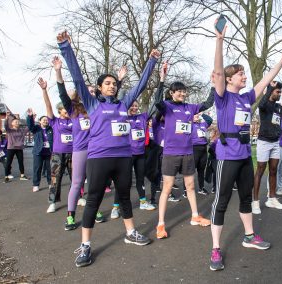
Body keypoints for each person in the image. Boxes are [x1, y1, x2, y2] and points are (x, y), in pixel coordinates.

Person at [58, 31, 159, 267]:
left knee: (124, 196)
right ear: (100, 88)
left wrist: (152, 62)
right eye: (107, 83)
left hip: (123, 158)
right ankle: (85, 246)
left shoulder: (124, 103)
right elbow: (77, 78)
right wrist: (65, 47)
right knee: (93, 200)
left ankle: (130, 232)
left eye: (114, 83)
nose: (112, 86)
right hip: (99, 158)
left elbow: (142, 85)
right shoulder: (92, 103)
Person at [209, 20, 282, 271]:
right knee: (221, 201)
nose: (245, 75)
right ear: (230, 79)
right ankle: (215, 249)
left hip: (244, 155)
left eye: (244, 73)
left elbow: (266, 81)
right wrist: (219, 40)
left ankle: (248, 236)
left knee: (245, 197)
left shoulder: (246, 98)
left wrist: (280, 62)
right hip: (226, 155)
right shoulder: (222, 96)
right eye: (241, 73)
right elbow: (219, 72)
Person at [155, 76, 215, 239]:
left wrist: (213, 85)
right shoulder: (167, 107)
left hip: (188, 153)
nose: (182, 93)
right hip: (171, 154)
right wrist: (161, 80)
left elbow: (208, 103)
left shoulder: (190, 107)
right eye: (179, 91)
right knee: (167, 188)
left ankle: (195, 216)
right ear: (172, 93)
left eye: (184, 91)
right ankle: (160, 223)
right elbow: (157, 102)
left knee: (190, 186)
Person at [52, 55, 106, 229]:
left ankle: (93, 210)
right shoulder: (73, 109)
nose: (90, 93)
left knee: (94, 183)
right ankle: (70, 216)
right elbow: (62, 93)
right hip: (80, 150)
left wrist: (118, 80)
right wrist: (58, 72)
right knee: (76, 183)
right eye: (87, 91)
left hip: (97, 150)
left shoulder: (97, 108)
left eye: (92, 91)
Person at [111, 62, 168, 217]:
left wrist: (161, 80)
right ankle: (116, 207)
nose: (134, 108)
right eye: (132, 106)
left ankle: (143, 201)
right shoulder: (120, 116)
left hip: (140, 154)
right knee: (123, 182)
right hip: (125, 155)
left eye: (136, 106)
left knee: (141, 178)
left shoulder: (143, 117)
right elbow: (118, 98)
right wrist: (120, 80)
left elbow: (156, 104)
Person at [252, 81, 282, 214]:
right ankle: (255, 202)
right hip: (264, 142)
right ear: (271, 91)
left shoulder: (279, 107)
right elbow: (261, 103)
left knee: (273, 170)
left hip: (275, 143)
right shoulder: (265, 105)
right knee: (260, 170)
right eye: (277, 91)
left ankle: (271, 198)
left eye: (280, 91)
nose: (279, 94)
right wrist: (270, 87)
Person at [37, 77, 73, 213]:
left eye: (68, 109)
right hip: (58, 154)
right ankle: (52, 202)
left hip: (73, 153)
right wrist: (44, 90)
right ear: (60, 111)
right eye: (65, 109)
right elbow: (48, 106)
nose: (67, 111)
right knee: (55, 179)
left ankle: (77, 197)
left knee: (76, 178)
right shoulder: (55, 121)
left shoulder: (75, 120)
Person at [182, 111, 214, 197]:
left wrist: (202, 113)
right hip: (193, 149)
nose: (196, 116)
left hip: (203, 149)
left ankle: (201, 188)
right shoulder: (189, 125)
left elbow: (210, 120)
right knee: (189, 171)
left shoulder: (202, 125)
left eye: (197, 115)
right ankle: (186, 190)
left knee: (201, 170)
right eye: (194, 115)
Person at [26, 110, 53, 193]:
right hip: (38, 152)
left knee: (50, 169)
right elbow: (30, 126)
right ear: (40, 121)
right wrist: (30, 117)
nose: (45, 121)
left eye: (47, 119)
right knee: (37, 169)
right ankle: (36, 185)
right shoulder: (36, 128)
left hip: (49, 152)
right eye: (43, 119)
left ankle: (50, 183)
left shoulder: (50, 129)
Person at [4, 112, 29, 182]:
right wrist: (6, 118)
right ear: (12, 123)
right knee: (8, 162)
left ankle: (22, 175)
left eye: (18, 122)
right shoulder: (9, 130)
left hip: (19, 148)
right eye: (15, 122)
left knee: (21, 162)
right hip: (11, 148)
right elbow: (5, 125)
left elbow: (29, 127)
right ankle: (6, 177)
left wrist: (32, 118)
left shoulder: (22, 131)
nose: (17, 123)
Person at [205, 127, 219, 194]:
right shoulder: (214, 140)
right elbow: (210, 150)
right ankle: (214, 187)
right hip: (214, 158)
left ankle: (217, 187)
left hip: (219, 158)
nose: (211, 133)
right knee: (215, 173)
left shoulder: (219, 138)